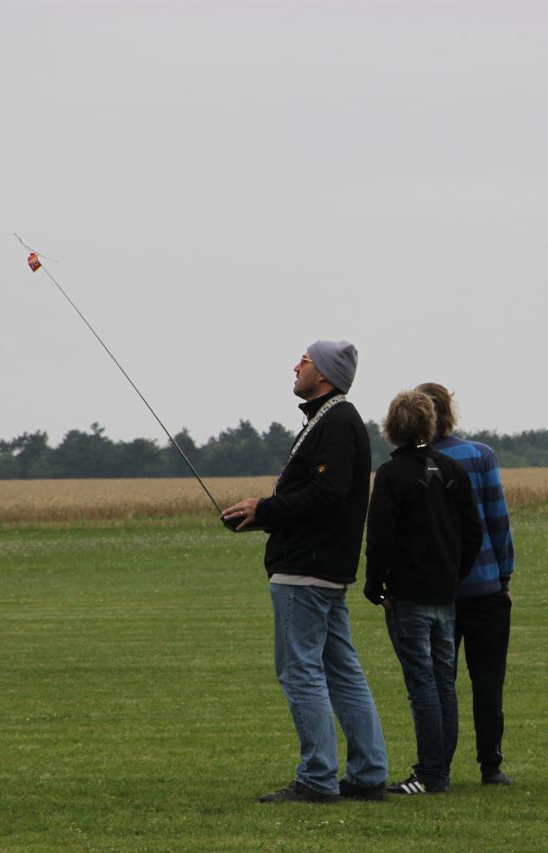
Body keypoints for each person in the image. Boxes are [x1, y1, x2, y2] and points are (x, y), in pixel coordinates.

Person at [223, 341, 389, 804]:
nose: (295, 366)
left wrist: (265, 509)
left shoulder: (335, 421)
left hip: (306, 571)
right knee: (341, 671)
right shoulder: (331, 419)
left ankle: (317, 777)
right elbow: (319, 497)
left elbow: (327, 494)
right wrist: (263, 516)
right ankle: (368, 774)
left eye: (305, 360)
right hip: (323, 569)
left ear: (326, 373)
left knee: (301, 672)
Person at [364, 391, 482, 795]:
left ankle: (431, 773)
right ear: (430, 423)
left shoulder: (391, 475)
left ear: (392, 426)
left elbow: (380, 537)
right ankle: (439, 769)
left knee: (422, 684)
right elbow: (473, 531)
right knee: (443, 680)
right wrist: (455, 573)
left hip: (407, 596)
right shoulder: (452, 470)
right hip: (445, 595)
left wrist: (374, 585)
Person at [415, 382, 515, 786]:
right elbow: (497, 518)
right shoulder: (480, 455)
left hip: (438, 592)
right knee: (488, 682)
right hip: (486, 587)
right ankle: (491, 765)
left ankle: (438, 765)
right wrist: (503, 575)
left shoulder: (415, 463)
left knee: (441, 683)